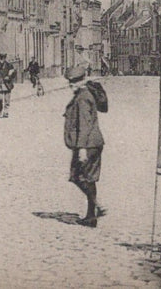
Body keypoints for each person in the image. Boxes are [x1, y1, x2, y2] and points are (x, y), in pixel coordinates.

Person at [63, 66, 105, 228]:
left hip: (88, 145)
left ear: (80, 81)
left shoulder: (83, 97)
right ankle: (93, 210)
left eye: (73, 82)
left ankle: (92, 213)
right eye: (70, 82)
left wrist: (81, 149)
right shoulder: (83, 94)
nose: (70, 85)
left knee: (83, 177)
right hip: (89, 144)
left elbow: (85, 125)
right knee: (81, 177)